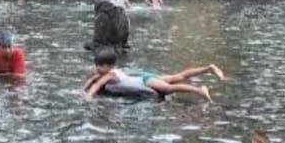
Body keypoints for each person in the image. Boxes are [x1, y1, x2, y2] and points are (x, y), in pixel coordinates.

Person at [84, 48, 224, 102]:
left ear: (109, 66)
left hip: (145, 82)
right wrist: (85, 88)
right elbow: (93, 80)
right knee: (178, 77)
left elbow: (97, 84)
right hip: (144, 77)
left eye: (99, 66)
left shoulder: (109, 75)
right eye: (96, 65)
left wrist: (88, 96)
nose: (97, 68)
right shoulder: (107, 73)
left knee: (169, 88)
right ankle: (208, 69)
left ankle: (200, 90)